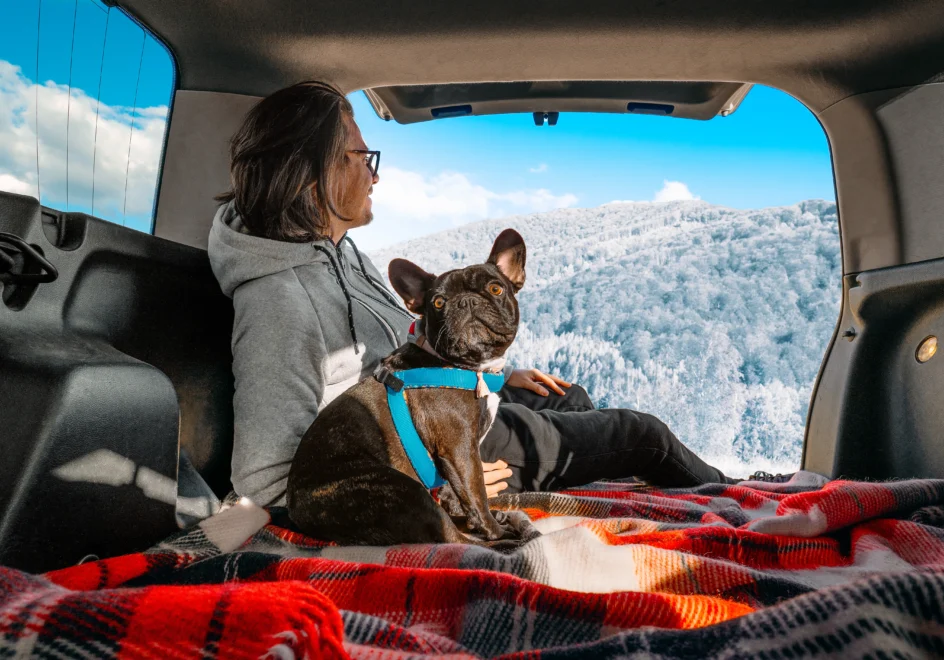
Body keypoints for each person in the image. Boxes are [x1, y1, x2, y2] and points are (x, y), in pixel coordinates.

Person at [208, 81, 747, 509]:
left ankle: (620, 476)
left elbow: (405, 349)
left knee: (569, 397)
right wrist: (437, 484)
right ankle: (745, 502)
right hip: (427, 446)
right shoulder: (278, 299)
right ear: (312, 176)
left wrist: (494, 375)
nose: (374, 175)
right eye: (361, 156)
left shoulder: (338, 254)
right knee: (643, 434)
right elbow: (267, 480)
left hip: (439, 402)